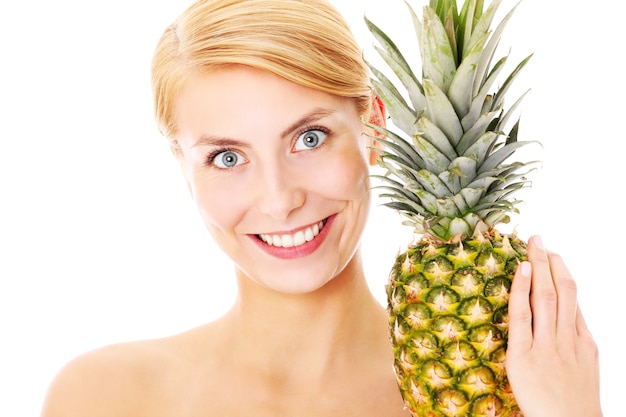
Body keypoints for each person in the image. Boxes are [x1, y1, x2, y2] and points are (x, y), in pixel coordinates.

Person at [40, 0, 602, 416]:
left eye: (308, 138)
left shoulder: (493, 390)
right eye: (227, 156)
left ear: (373, 127)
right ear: (182, 166)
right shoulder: (102, 397)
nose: (281, 199)